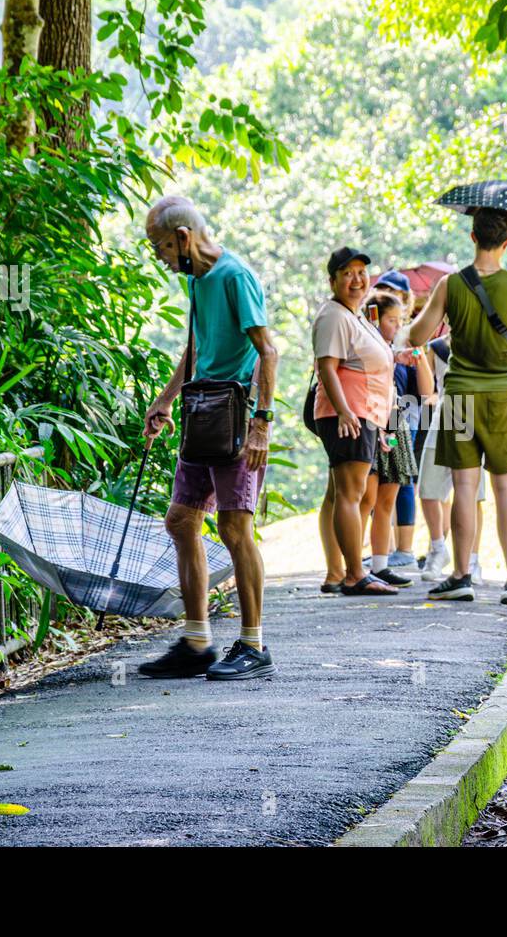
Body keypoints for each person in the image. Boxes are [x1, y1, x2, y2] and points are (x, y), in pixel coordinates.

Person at [138, 196, 280, 680]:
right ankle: (197, 641)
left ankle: (254, 644)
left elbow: (268, 349)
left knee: (234, 529)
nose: (158, 256)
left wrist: (262, 422)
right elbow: (195, 346)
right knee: (181, 520)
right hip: (201, 409)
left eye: (159, 246)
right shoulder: (198, 280)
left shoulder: (234, 276)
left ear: (182, 238)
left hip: (235, 415)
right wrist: (164, 400)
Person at [408, 208, 507, 607]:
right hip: (504, 397)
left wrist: (450, 322)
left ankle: (461, 574)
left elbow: (417, 334)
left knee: (464, 487)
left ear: (473, 236)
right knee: (505, 487)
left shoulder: (450, 285)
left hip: (459, 396)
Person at [313, 247, 399, 595]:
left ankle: (339, 573)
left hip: (364, 414)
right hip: (347, 414)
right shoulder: (334, 315)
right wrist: (347, 410)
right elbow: (327, 368)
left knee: (341, 494)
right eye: (347, 273)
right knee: (352, 493)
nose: (356, 279)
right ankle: (354, 574)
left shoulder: (355, 315)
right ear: (333, 280)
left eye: (361, 271)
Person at [358, 288, 432, 587]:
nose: (397, 326)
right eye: (391, 320)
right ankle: (353, 565)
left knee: (389, 495)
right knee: (367, 498)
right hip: (371, 417)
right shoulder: (366, 345)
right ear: (375, 319)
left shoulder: (399, 351)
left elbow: (426, 393)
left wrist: (418, 355)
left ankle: (380, 564)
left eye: (400, 319)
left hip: (397, 417)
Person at [414, 331, 487, 584]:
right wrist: (417, 352)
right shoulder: (436, 346)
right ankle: (438, 549)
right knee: (427, 489)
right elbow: (427, 392)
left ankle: (473, 560)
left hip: (473, 414)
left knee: (473, 494)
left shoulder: (481, 339)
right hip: (442, 416)